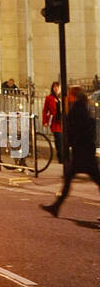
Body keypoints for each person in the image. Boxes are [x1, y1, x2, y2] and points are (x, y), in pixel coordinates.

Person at [41, 86, 100, 217]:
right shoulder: (82, 107)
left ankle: (56, 206)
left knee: (72, 179)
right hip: (85, 151)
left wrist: (67, 146)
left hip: (82, 152)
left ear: (73, 95)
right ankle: (56, 206)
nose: (67, 96)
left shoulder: (76, 109)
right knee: (69, 179)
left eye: (69, 94)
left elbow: (73, 130)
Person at [42, 81, 63, 163]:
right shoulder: (49, 98)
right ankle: (61, 158)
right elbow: (45, 110)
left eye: (57, 87)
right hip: (55, 122)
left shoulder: (62, 98)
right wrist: (45, 121)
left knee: (63, 140)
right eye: (54, 87)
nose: (56, 88)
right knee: (59, 140)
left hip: (62, 122)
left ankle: (64, 157)